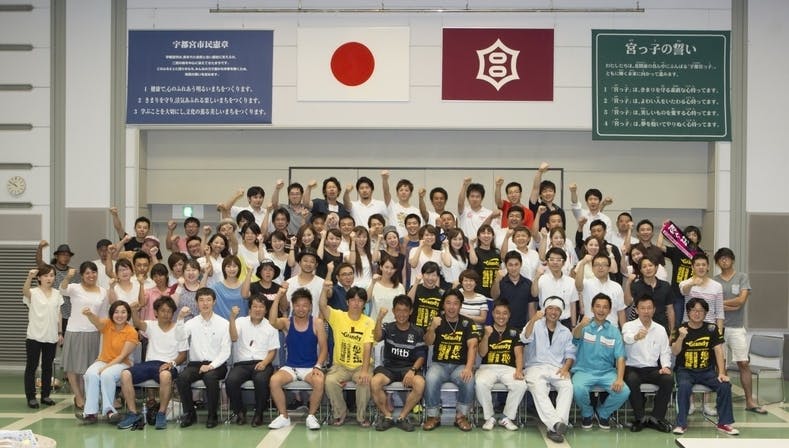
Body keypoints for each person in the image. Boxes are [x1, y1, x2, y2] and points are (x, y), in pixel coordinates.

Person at [671, 297, 739, 436]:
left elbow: (719, 350)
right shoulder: (679, 329)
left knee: (725, 386)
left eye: (701, 311)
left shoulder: (711, 329)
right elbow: (675, 352)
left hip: (707, 371)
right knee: (684, 387)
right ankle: (681, 424)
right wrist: (681, 337)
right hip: (685, 371)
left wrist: (721, 373)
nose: (697, 313)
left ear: (706, 313)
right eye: (693, 310)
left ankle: (724, 423)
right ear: (688, 312)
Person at [117, 297, 186, 430]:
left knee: (165, 375)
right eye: (162, 310)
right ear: (155, 312)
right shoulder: (151, 325)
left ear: (173, 313)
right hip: (149, 364)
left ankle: (161, 413)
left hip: (167, 365)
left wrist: (172, 363)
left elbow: (183, 355)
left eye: (169, 311)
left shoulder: (179, 329)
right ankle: (133, 413)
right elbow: (137, 323)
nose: (166, 314)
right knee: (125, 374)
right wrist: (133, 310)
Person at [713, 248, 765, 414]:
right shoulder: (714, 281)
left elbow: (741, 301)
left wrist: (722, 303)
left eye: (727, 258)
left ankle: (750, 401)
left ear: (732, 260)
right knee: (721, 366)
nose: (724, 261)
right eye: (721, 258)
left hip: (736, 328)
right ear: (717, 262)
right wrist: (731, 304)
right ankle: (721, 402)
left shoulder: (742, 277)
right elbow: (713, 304)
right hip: (719, 328)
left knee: (743, 363)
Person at [268, 286, 327, 431]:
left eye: (305, 305)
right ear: (293, 306)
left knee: (319, 381)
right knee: (274, 381)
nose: (301, 309)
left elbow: (324, 348)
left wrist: (318, 366)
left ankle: (311, 416)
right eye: (298, 305)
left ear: (310, 307)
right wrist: (278, 297)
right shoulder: (287, 322)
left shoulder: (317, 323)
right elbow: (272, 321)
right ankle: (284, 416)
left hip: (310, 368)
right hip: (291, 367)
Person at [422, 289, 481, 432]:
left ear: (460, 305)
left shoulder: (468, 323)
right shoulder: (437, 321)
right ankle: (433, 416)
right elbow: (428, 342)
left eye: (455, 303)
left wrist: (468, 367)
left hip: (459, 366)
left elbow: (473, 346)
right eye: (448, 303)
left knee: (468, 379)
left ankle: (461, 416)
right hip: (439, 365)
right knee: (430, 378)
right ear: (443, 304)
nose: (451, 307)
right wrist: (432, 328)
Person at [571, 293, 630, 430]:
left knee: (624, 391)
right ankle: (587, 413)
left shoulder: (614, 332)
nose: (601, 310)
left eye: (605, 307)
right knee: (577, 388)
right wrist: (581, 325)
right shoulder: (584, 326)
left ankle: (603, 413)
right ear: (592, 308)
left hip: (607, 373)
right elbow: (575, 337)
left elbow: (620, 357)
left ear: (609, 310)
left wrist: (619, 378)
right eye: (598, 306)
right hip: (584, 371)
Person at [174, 288, 231, 429]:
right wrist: (180, 318)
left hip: (217, 365)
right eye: (201, 300)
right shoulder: (191, 322)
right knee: (182, 378)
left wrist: (211, 366)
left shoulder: (224, 323)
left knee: (210, 377)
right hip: (195, 364)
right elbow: (180, 337)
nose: (205, 303)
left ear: (214, 302)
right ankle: (190, 414)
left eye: (208, 300)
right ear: (197, 303)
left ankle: (212, 415)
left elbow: (226, 351)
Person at [319, 284, 375, 426]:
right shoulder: (338, 316)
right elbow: (322, 306)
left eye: (360, 300)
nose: (356, 303)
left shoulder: (369, 322)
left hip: (361, 366)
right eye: (353, 300)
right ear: (347, 302)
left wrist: (364, 370)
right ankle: (340, 413)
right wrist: (324, 290)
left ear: (364, 304)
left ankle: (361, 417)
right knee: (330, 381)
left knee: (364, 381)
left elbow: (367, 346)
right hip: (340, 366)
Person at [522, 297, 575, 443]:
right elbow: (525, 338)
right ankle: (556, 424)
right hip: (535, 366)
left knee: (567, 386)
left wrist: (566, 368)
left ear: (561, 313)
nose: (553, 312)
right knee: (538, 387)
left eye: (557, 309)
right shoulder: (535, 324)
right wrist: (533, 319)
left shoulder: (565, 331)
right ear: (545, 310)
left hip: (557, 368)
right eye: (550, 308)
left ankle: (556, 426)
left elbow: (570, 353)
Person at [371, 295, 427, 432]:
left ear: (410, 312)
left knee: (420, 384)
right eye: (398, 310)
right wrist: (379, 318)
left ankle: (402, 417)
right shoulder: (388, 327)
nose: (401, 314)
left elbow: (421, 356)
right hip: (389, 368)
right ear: (393, 311)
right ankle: (387, 416)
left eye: (405, 310)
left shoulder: (417, 331)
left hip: (408, 368)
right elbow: (377, 337)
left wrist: (413, 370)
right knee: (374, 382)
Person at [79, 301, 139, 424]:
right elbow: (97, 322)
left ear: (128, 314)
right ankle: (90, 413)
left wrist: (106, 367)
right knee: (90, 374)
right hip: (103, 361)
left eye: (123, 312)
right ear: (111, 314)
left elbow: (122, 356)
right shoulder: (107, 324)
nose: (119, 315)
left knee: (107, 375)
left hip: (122, 363)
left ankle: (110, 411)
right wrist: (90, 314)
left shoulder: (132, 331)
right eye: (116, 312)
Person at [622, 296, 674, 433]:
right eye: (642, 308)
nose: (646, 311)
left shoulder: (660, 329)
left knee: (668, 379)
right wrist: (636, 337)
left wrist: (665, 366)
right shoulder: (629, 326)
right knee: (632, 380)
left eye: (649, 308)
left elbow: (665, 351)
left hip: (652, 369)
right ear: (637, 310)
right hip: (632, 367)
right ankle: (640, 418)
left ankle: (656, 418)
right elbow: (626, 338)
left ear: (654, 310)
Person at [225, 295, 279, 427]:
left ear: (266, 310)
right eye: (255, 306)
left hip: (262, 362)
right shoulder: (240, 322)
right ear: (249, 309)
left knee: (261, 380)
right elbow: (233, 337)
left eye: (261, 307)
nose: (258, 309)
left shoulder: (271, 326)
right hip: (242, 364)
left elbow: (272, 351)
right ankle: (239, 411)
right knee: (231, 380)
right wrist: (232, 318)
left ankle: (259, 413)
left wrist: (264, 363)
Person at [60, 262, 107, 412]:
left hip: (94, 332)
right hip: (75, 331)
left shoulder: (103, 291)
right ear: (82, 275)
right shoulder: (75, 288)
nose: (91, 275)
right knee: (73, 366)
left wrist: (103, 330)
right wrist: (68, 277)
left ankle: (88, 396)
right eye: (87, 273)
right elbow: (62, 289)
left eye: (93, 272)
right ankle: (78, 396)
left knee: (89, 367)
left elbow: (103, 314)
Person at [475, 299, 526, 431]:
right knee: (480, 383)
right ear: (492, 314)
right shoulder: (486, 331)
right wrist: (486, 336)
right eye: (498, 313)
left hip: (508, 368)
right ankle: (489, 417)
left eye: (504, 313)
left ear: (509, 315)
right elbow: (482, 353)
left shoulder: (515, 332)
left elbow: (519, 354)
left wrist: (519, 370)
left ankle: (506, 418)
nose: (501, 316)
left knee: (520, 384)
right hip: (488, 367)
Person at [22, 266, 64, 408]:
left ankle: (45, 395)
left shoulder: (57, 294)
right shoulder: (33, 292)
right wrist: (29, 277)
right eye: (45, 275)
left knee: (47, 367)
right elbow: (25, 292)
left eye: (51, 275)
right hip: (34, 335)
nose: (49, 278)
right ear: (39, 278)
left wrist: (60, 333)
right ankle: (31, 397)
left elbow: (59, 314)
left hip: (51, 336)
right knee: (32, 366)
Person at [623, 256, 674, 333]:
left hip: (661, 326)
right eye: (644, 267)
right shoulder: (636, 286)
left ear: (656, 267)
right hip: (640, 328)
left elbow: (670, 310)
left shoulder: (665, 285)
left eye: (650, 265)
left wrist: (672, 331)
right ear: (641, 270)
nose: (648, 268)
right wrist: (628, 283)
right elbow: (627, 303)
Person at [532, 247, 579, 329]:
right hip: (545, 321)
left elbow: (573, 305)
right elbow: (534, 294)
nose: (555, 262)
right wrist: (536, 278)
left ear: (563, 263)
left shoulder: (571, 282)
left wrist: (573, 326)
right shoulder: (541, 279)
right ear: (547, 262)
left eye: (558, 260)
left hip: (565, 322)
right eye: (552, 259)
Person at [575, 253, 626, 327]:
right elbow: (578, 286)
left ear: (609, 268)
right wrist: (582, 263)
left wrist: (624, 331)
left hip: (611, 328)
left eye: (604, 264)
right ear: (592, 268)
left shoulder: (617, 287)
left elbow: (621, 312)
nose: (600, 267)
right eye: (597, 264)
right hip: (591, 328)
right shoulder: (586, 283)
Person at [491, 251, 536, 331]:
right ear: (506, 266)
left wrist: (531, 327)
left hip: (521, 328)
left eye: (516, 264)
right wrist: (497, 281)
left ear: (521, 265)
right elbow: (494, 296)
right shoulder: (500, 281)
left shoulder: (528, 283)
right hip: (501, 326)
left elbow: (531, 309)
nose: (513, 268)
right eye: (510, 265)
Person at [211, 255, 252, 320]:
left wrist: (249, 272)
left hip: (242, 324)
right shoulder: (216, 288)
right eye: (228, 266)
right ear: (224, 268)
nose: (231, 269)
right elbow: (200, 295)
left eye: (234, 266)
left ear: (239, 268)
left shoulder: (245, 286)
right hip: (223, 324)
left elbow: (246, 295)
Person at [367, 255, 405, 323]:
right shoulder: (374, 283)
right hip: (376, 324)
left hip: (393, 325)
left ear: (395, 270)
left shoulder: (400, 287)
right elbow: (366, 299)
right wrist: (373, 283)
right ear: (381, 267)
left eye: (392, 268)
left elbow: (403, 307)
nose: (389, 271)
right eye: (386, 267)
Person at [382, 171, 420, 238]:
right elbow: (386, 192)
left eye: (406, 190)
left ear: (411, 194)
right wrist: (385, 179)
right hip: (394, 242)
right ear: (397, 193)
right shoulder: (392, 207)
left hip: (410, 242)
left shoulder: (416, 211)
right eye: (401, 190)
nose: (403, 192)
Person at [529, 162, 566, 231]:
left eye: (550, 191)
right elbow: (535, 188)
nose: (548, 193)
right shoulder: (536, 207)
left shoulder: (560, 211)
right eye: (544, 191)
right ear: (540, 194)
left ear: (554, 193)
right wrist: (540, 171)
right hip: (539, 237)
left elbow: (562, 231)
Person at [407, 261, 444, 331]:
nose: (430, 278)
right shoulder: (415, 288)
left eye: (434, 275)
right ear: (422, 275)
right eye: (427, 274)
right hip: (414, 330)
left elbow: (443, 313)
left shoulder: (441, 293)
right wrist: (416, 283)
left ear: (437, 277)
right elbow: (408, 303)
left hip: (432, 331)